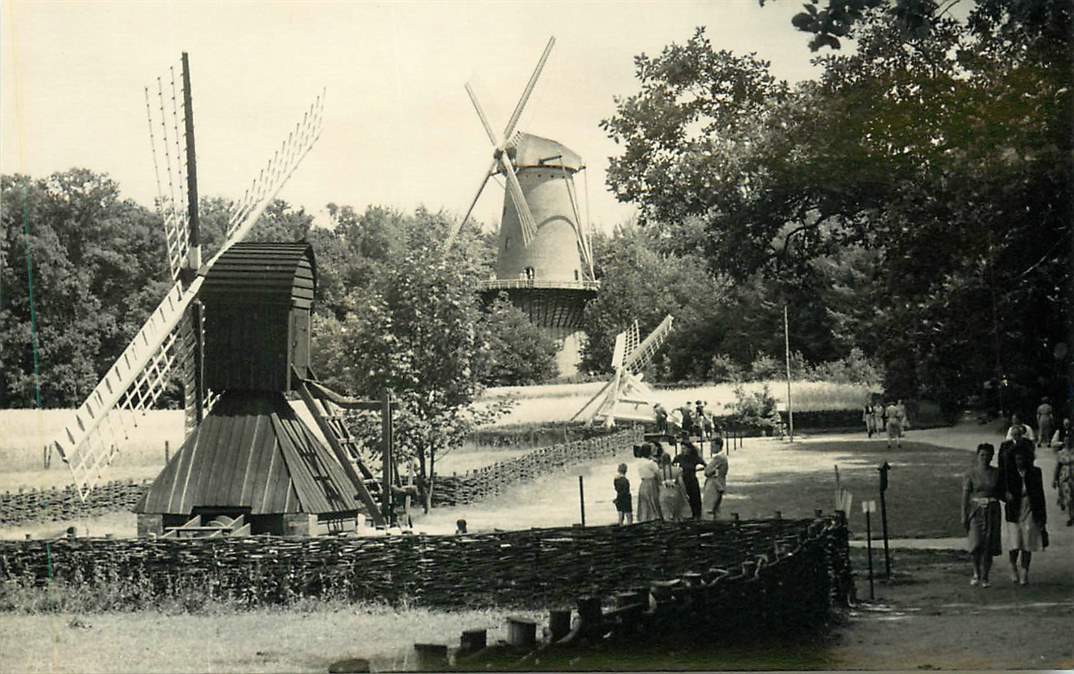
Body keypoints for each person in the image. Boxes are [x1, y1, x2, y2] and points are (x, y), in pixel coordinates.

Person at [1004, 449, 1047, 585]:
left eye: (1022, 459)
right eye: (1017, 459)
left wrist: (1042, 517)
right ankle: (1012, 565)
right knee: (1015, 542)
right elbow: (1001, 489)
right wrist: (1006, 495)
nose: (1020, 462)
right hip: (1014, 509)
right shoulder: (1009, 473)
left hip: (1030, 507)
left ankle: (1024, 571)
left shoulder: (1035, 472)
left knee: (1027, 541)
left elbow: (1040, 494)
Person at [962, 443, 1002, 587]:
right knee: (976, 542)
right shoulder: (970, 473)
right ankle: (976, 572)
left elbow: (1001, 492)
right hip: (975, 510)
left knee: (988, 543)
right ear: (977, 456)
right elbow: (965, 495)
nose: (985, 458)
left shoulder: (997, 473)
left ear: (992, 456)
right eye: (982, 455)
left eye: (988, 455)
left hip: (992, 510)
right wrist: (964, 514)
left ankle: (985, 576)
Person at [673, 442, 705, 519]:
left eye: (684, 448)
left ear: (689, 449)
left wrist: (698, 469)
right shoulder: (679, 457)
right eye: (682, 448)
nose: (683, 450)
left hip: (692, 480)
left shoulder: (694, 458)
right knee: (684, 499)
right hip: (682, 481)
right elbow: (672, 466)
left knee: (695, 499)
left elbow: (705, 465)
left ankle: (696, 515)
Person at [998, 423, 1035, 488]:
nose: (1017, 437)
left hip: (1024, 470)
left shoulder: (1027, 442)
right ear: (1012, 435)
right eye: (1015, 435)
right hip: (1010, 470)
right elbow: (1002, 457)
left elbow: (1031, 455)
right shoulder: (1005, 444)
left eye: (1018, 434)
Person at [701, 437, 729, 519]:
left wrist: (707, 470)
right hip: (720, 483)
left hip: (714, 484)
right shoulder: (723, 457)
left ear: (718, 446)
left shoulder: (718, 458)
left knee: (708, 508)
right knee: (716, 509)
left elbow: (707, 471)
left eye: (713, 446)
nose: (711, 448)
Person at [635, 444, 662, 523]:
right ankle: (654, 518)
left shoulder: (640, 462)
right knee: (653, 501)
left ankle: (644, 518)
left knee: (644, 503)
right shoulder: (651, 463)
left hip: (643, 483)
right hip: (651, 482)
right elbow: (658, 473)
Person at [657, 453, 687, 522]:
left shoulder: (659, 472)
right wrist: (685, 494)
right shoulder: (678, 470)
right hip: (675, 492)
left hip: (663, 493)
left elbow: (658, 484)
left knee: (666, 516)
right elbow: (681, 483)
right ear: (670, 460)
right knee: (677, 515)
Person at [1053, 437, 1074, 526]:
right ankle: (1070, 517)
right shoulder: (1061, 453)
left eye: (1069, 441)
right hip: (1065, 476)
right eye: (1066, 441)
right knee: (1068, 498)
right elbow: (1057, 467)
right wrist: (1054, 479)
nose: (1068, 442)